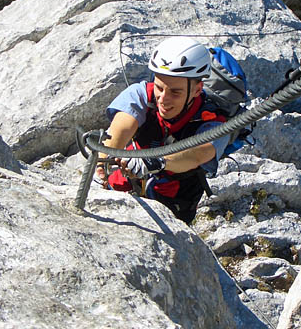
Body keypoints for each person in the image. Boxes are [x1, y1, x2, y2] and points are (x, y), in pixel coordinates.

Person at [95, 36, 231, 224]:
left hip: (172, 205)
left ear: (197, 90)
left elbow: (199, 154)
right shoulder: (141, 93)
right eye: (159, 87)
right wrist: (103, 161)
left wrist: (157, 161)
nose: (163, 99)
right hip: (126, 182)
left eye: (175, 92)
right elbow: (122, 126)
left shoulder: (213, 121)